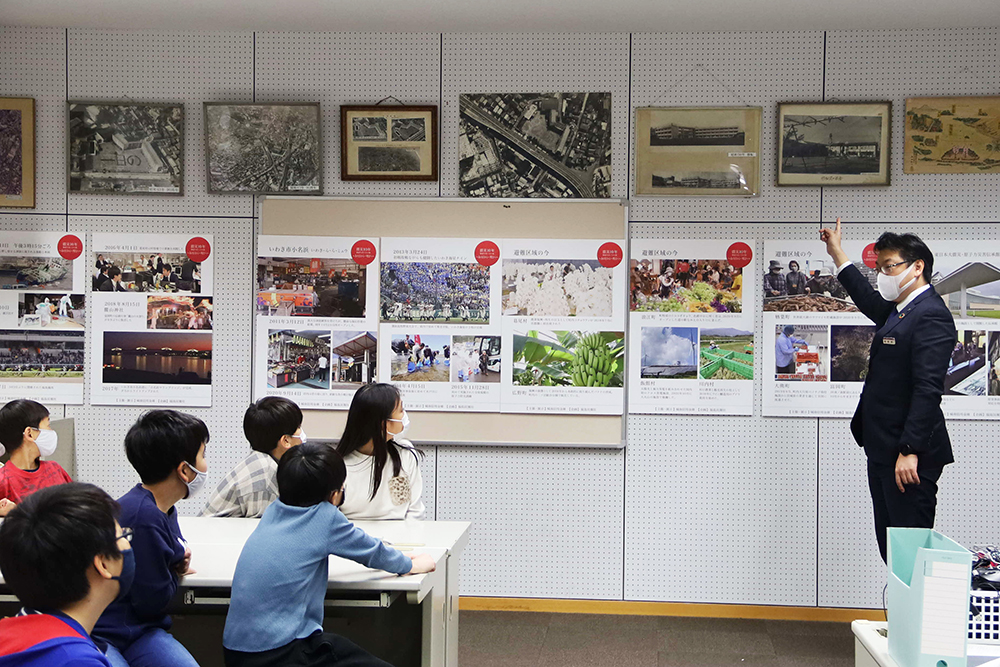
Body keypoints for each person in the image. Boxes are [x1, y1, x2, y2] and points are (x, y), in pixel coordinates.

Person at [221, 443, 435, 667]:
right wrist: (410, 564)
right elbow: (373, 552)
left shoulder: (275, 509)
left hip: (237, 652)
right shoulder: (325, 517)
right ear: (334, 493)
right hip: (283, 652)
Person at [821, 218, 957, 563]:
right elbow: (867, 298)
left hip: (908, 457)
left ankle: (914, 617)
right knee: (891, 548)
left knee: (909, 552)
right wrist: (838, 254)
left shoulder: (931, 316)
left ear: (917, 267)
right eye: (879, 267)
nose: (882, 274)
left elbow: (927, 389)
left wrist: (910, 450)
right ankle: (901, 616)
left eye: (889, 266)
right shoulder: (900, 311)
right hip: (883, 449)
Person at [92, 410, 209, 667]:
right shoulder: (143, 517)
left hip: (141, 631)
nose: (205, 464)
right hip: (107, 632)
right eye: (202, 455)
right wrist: (173, 571)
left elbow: (172, 555)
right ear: (184, 471)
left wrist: (171, 564)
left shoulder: (162, 508)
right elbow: (152, 601)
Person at [0, 483, 133, 667]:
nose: (128, 545)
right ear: (103, 564)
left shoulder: (10, 636)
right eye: (123, 537)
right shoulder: (78, 661)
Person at [201, 397, 305, 518]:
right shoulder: (265, 475)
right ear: (286, 440)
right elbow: (262, 532)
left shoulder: (260, 462)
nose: (301, 432)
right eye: (299, 427)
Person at [335, 384, 425, 521]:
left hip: (400, 539)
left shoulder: (405, 454)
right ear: (384, 424)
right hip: (353, 539)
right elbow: (332, 518)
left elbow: (415, 512)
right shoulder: (338, 465)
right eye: (401, 410)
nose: (404, 416)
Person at [0, 399, 73, 517]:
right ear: (29, 433)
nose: (52, 432)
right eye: (48, 426)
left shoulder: (55, 470)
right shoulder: (3, 480)